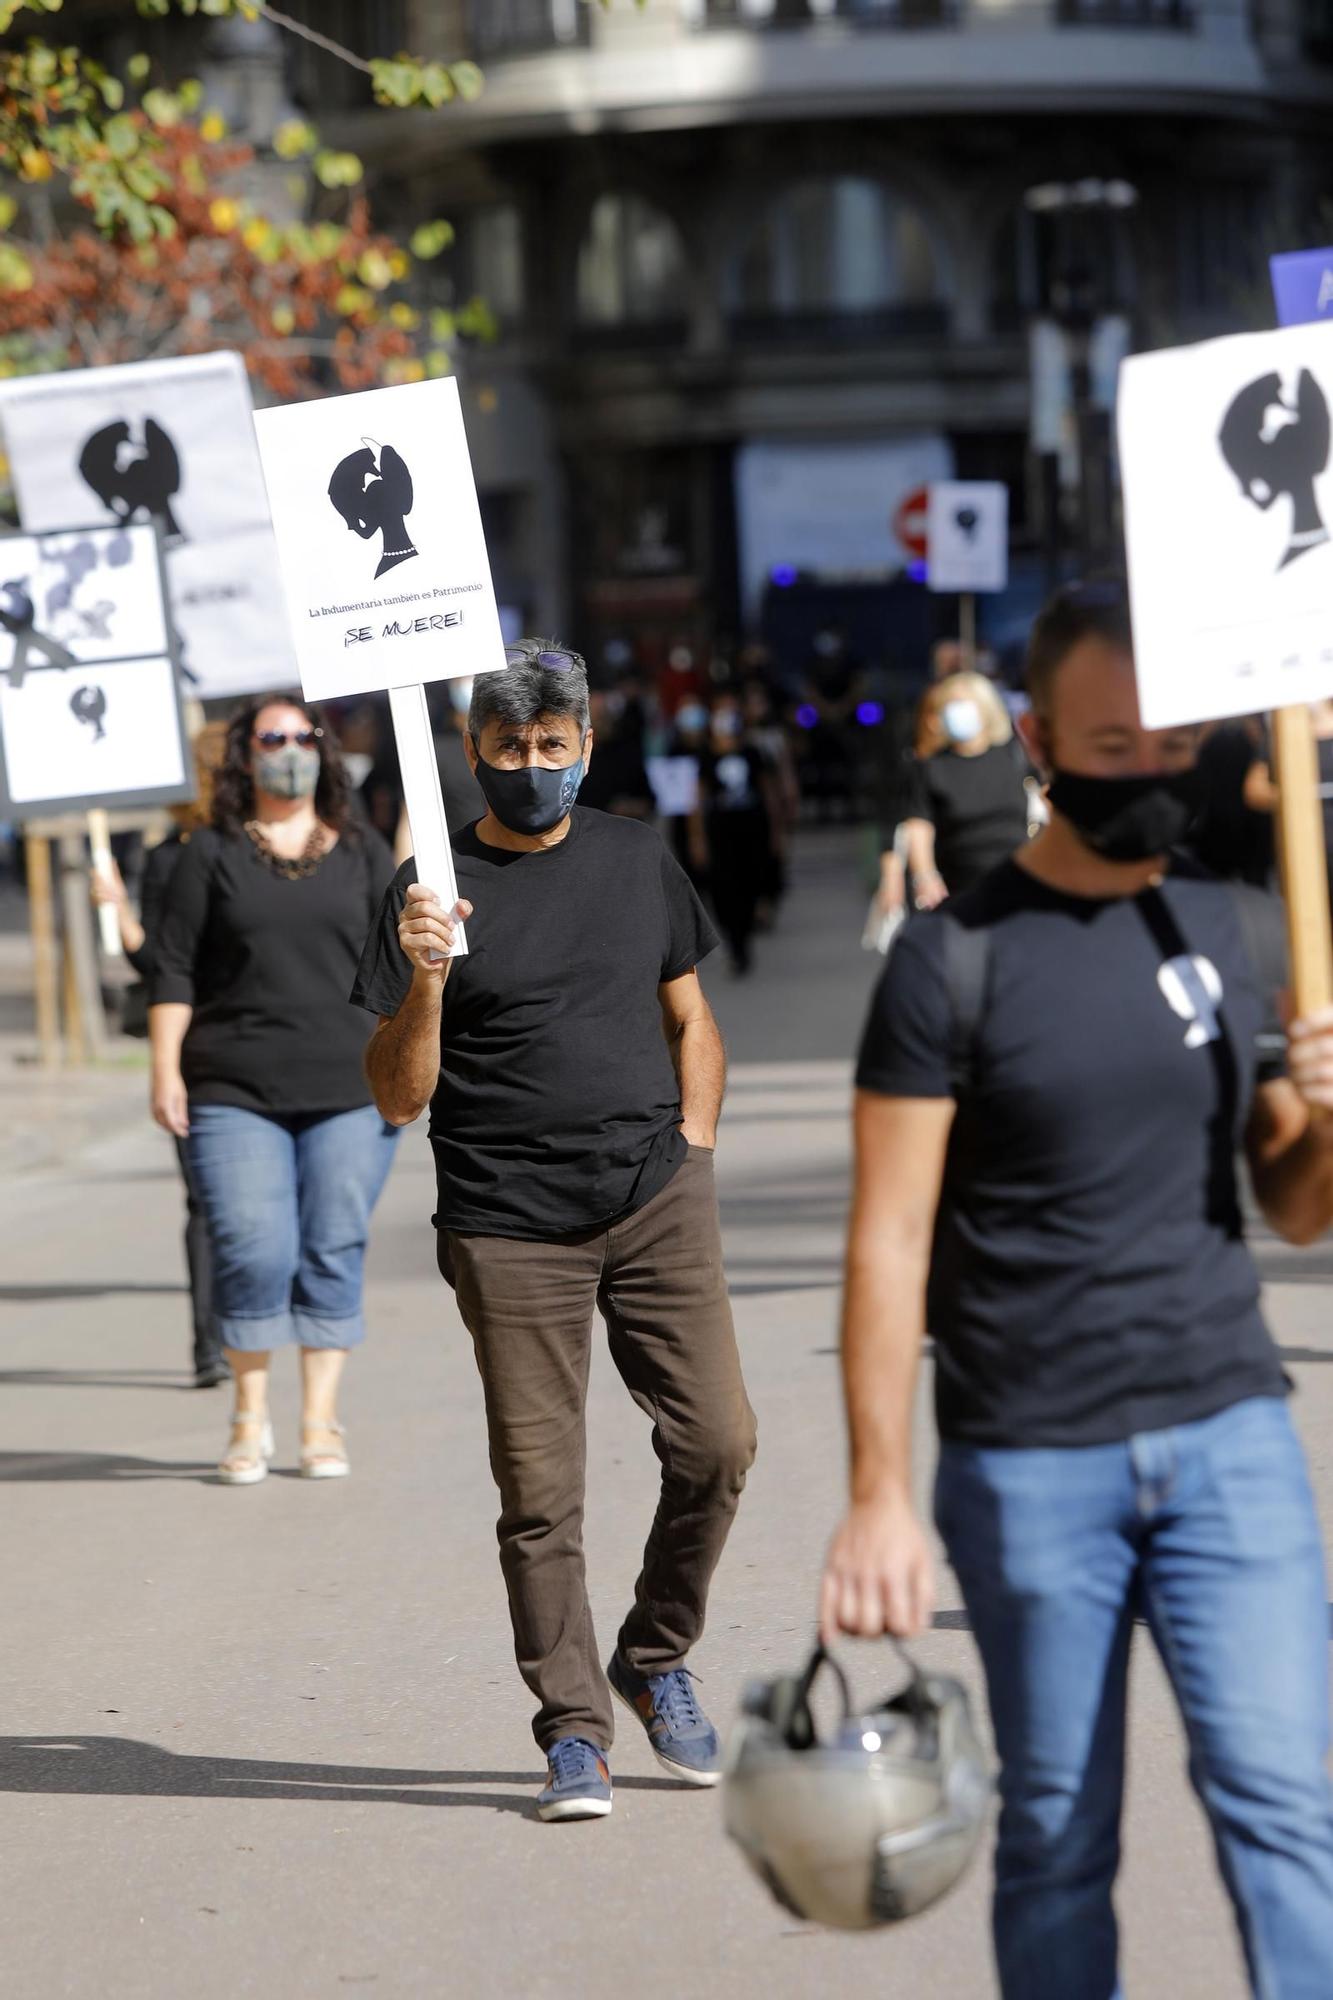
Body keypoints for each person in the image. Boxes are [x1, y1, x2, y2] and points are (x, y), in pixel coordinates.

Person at [821, 579, 1333, 1998]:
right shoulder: (951, 959)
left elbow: (1293, 1207)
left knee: (1288, 1813)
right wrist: (877, 1491)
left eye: (1172, 746)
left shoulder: (1231, 930)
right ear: (1041, 742)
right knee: (1056, 1837)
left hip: (1231, 1439)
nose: (1154, 777)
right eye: (1116, 752)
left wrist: (1331, 1117)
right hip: (1030, 1462)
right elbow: (888, 1239)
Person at [352, 640, 756, 1824]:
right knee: (541, 1492)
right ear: (472, 751)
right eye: (509, 746)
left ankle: (654, 1651)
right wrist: (426, 973)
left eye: (552, 745)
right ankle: (573, 1729)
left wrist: (695, 1142)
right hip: (507, 1225)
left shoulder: (637, 858)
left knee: (718, 1442)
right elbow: (393, 1092)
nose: (531, 765)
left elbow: (693, 1015)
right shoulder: (426, 886)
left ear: (584, 746)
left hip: (652, 1195)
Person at [149, 697, 399, 1485]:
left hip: (349, 1088)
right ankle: (248, 1414)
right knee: (253, 1246)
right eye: (272, 738)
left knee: (331, 1245)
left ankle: (319, 1419)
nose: (289, 749)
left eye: (302, 737)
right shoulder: (209, 852)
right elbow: (175, 969)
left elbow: (395, 969)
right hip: (233, 1087)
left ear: (321, 751)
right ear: (245, 756)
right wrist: (164, 1069)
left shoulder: (361, 852)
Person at [92, 722, 228, 1387]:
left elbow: (149, 958)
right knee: (223, 1202)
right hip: (233, 1047)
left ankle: (213, 1342)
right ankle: (230, 1332)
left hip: (192, 1048)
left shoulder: (170, 854)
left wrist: (121, 913)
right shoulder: (248, 852)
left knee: (206, 1203)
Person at [877, 670, 1036, 920]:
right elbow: (918, 826)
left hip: (1021, 881)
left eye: (963, 703)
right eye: (949, 705)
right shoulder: (930, 768)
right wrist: (926, 876)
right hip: (960, 887)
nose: (956, 711)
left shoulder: (1015, 757)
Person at [694, 691, 780, 976]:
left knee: (748, 888)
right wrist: (698, 839)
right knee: (723, 893)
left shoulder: (752, 753)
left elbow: (768, 793)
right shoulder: (706, 756)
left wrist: (777, 831)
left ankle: (744, 944)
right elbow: (698, 800)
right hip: (721, 836)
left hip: (751, 833)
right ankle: (732, 940)